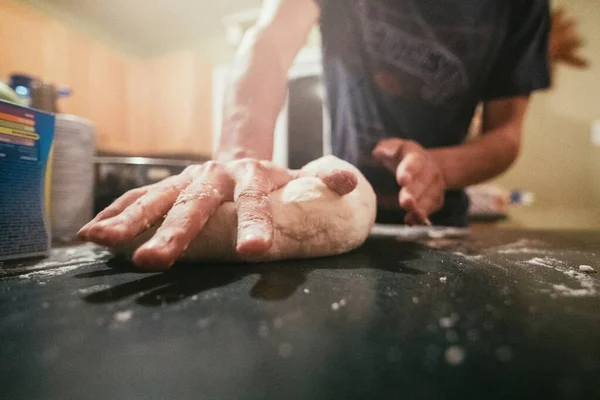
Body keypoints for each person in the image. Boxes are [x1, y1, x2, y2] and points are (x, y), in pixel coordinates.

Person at [79, 0, 550, 268]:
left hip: (438, 223)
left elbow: (506, 134)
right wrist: (240, 152)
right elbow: (269, 40)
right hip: (340, 194)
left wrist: (438, 167)